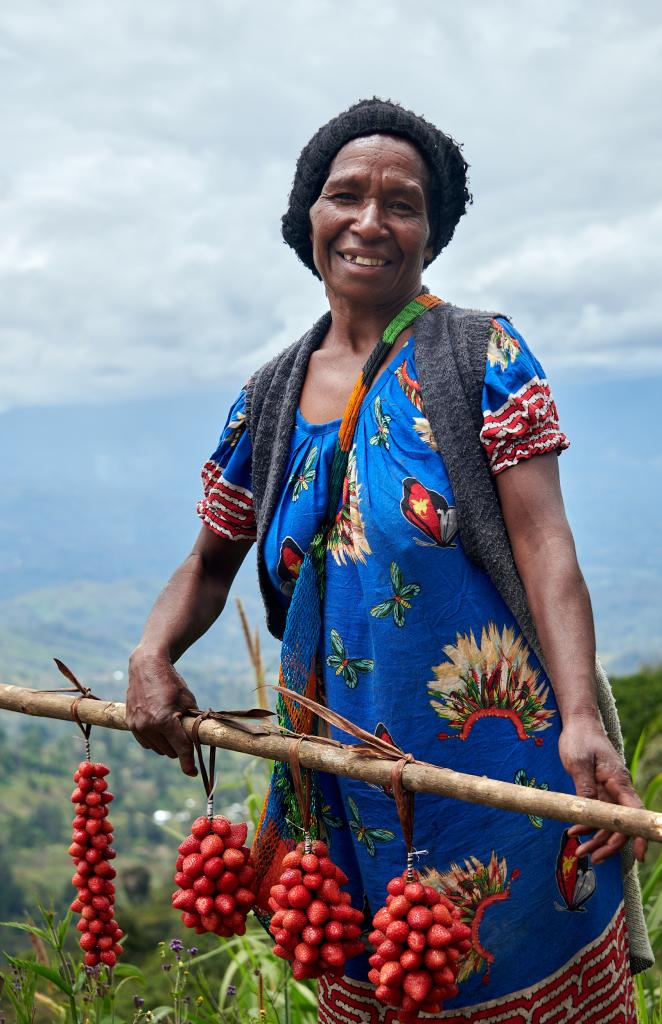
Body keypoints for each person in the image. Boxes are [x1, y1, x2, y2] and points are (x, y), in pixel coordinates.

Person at [127, 98, 652, 1020]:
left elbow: (544, 543)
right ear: (309, 219)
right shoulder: (271, 397)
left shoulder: (480, 353)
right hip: (340, 789)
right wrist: (150, 653)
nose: (371, 221)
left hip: (499, 778)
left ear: (431, 232)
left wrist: (580, 719)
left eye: (401, 203)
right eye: (346, 196)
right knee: (377, 979)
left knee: (523, 971)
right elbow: (211, 563)